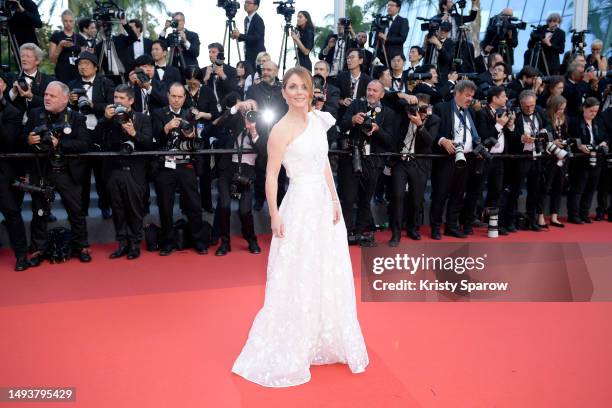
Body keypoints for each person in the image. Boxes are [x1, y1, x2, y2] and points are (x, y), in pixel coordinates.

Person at [232, 66, 368, 387]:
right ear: (283, 92)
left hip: (323, 204)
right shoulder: (279, 130)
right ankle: (296, 338)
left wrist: (335, 200)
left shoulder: (319, 122)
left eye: (302, 86)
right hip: (298, 205)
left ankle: (324, 334)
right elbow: (270, 176)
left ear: (310, 90)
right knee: (298, 271)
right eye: (291, 87)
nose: (297, 92)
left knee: (326, 268)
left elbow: (323, 164)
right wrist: (274, 214)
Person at [25, 81, 92, 266]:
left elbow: (84, 145)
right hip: (42, 172)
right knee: (39, 211)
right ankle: (38, 248)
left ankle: (82, 246)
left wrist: (59, 144)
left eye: (52, 96)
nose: (46, 98)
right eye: (46, 94)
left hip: (66, 172)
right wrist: (28, 140)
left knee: (76, 211)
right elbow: (21, 138)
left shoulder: (76, 118)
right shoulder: (35, 114)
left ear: (64, 99)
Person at [102, 85, 153, 260]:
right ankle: (122, 244)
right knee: (118, 210)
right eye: (116, 97)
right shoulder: (110, 119)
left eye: (122, 98)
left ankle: (135, 244)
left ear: (131, 100)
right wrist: (106, 120)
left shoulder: (143, 118)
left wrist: (134, 133)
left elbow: (149, 143)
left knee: (134, 210)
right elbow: (98, 140)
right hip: (114, 171)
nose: (117, 101)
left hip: (134, 172)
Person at [0, 78, 29, 271]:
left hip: (2, 169)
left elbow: (6, 141)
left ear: (2, 86)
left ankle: (21, 256)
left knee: (11, 211)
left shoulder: (12, 112)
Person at [48, 10, 87, 84]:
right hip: (61, 73)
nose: (68, 23)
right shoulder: (56, 36)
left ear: (74, 21)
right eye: (66, 21)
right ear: (62, 21)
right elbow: (52, 59)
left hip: (77, 73)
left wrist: (88, 54)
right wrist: (60, 46)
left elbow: (83, 58)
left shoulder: (80, 38)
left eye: (70, 21)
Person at [231, 0, 266, 71]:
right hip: (248, 54)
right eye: (245, 2)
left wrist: (240, 35)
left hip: (257, 56)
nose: (246, 4)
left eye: (249, 2)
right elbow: (249, 36)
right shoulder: (246, 19)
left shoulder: (258, 20)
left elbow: (256, 38)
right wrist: (237, 36)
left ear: (256, 6)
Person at [376, 0, 409, 67]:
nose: (389, 7)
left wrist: (387, 39)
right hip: (379, 56)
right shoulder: (383, 21)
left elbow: (402, 39)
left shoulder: (403, 21)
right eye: (388, 5)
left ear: (398, 8)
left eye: (391, 5)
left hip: (393, 57)